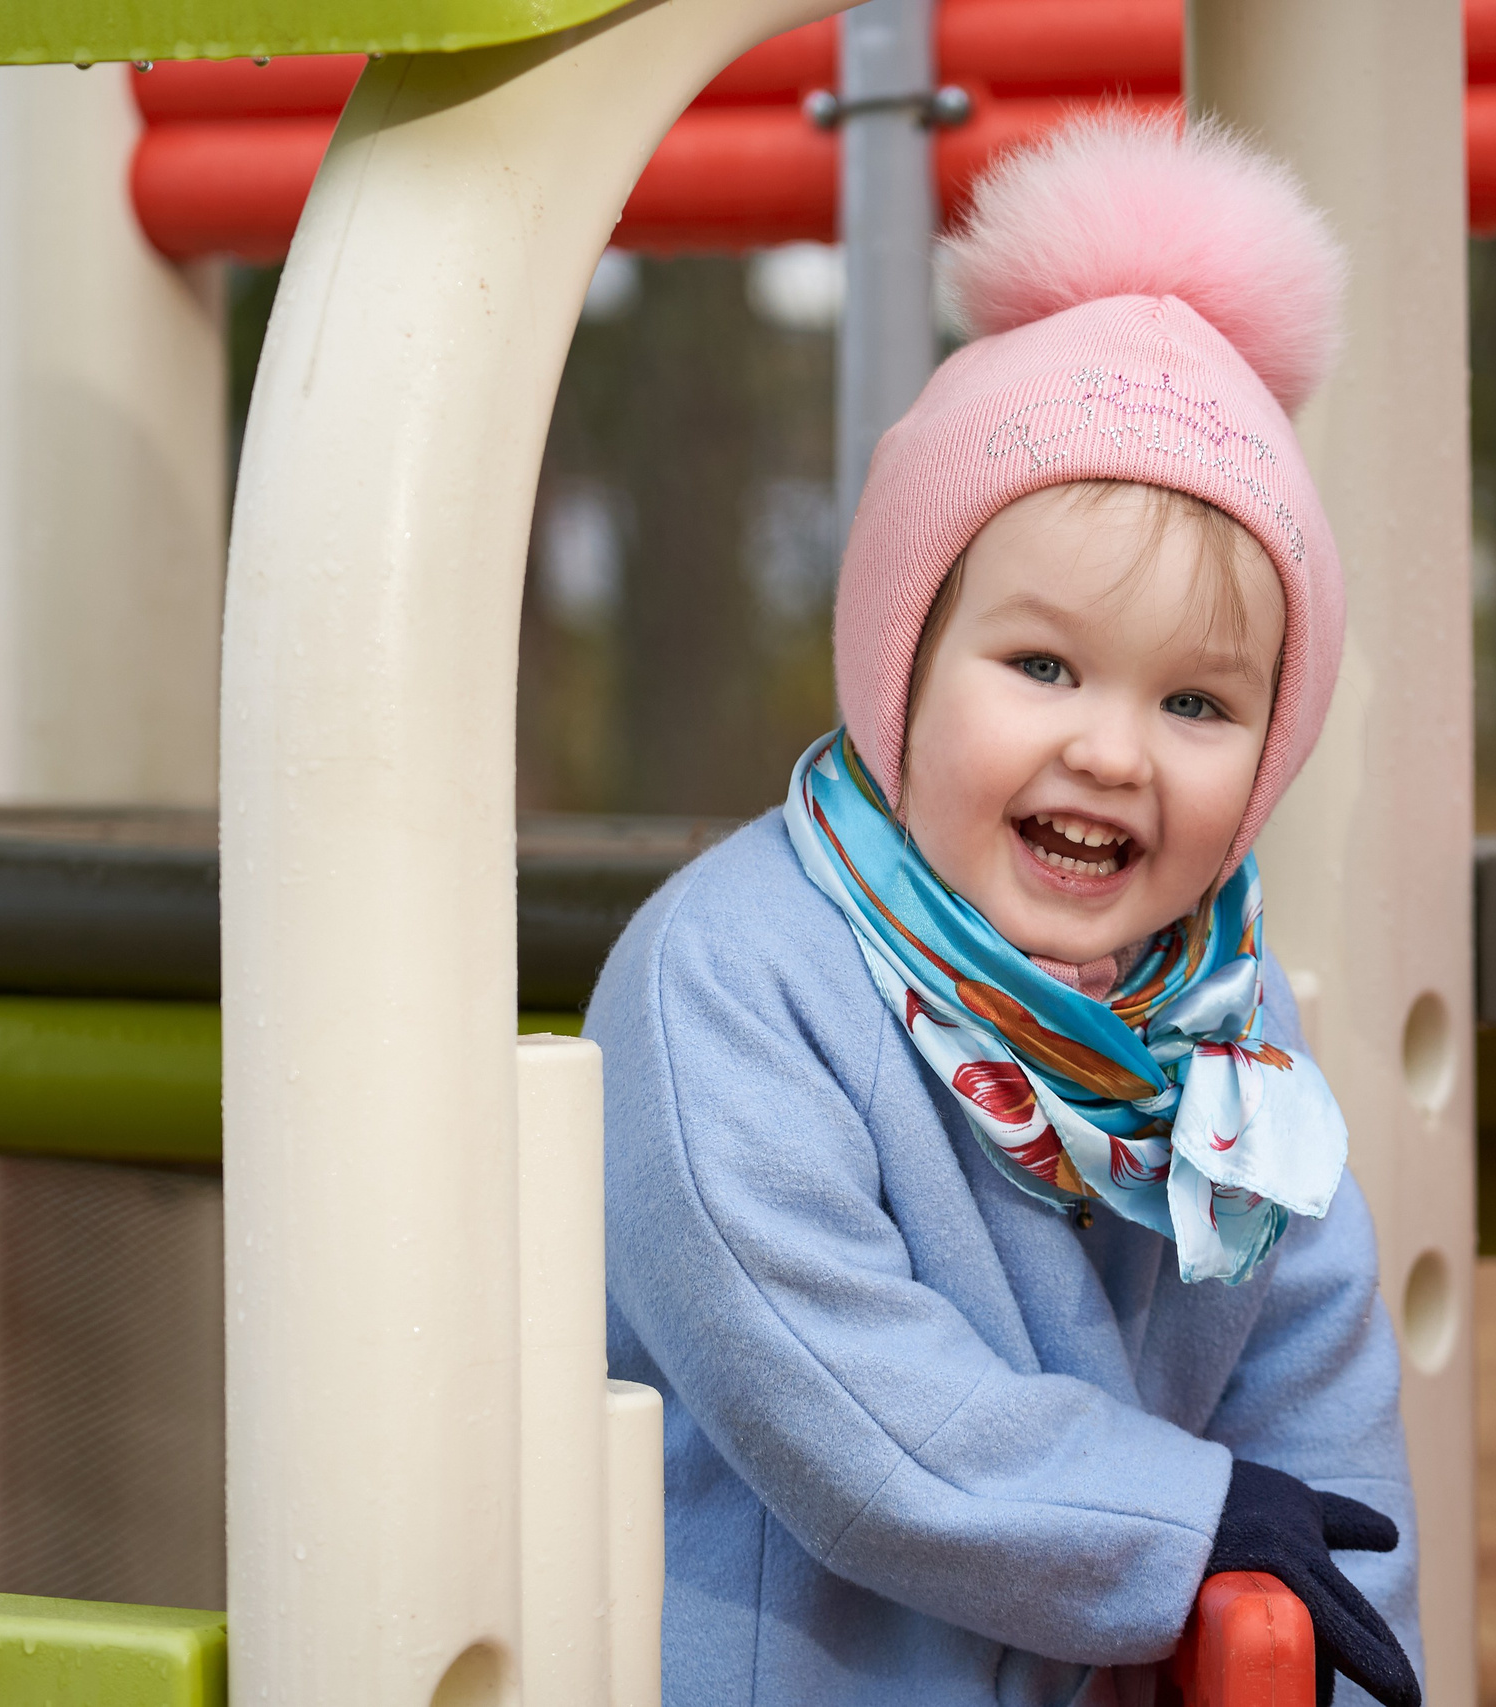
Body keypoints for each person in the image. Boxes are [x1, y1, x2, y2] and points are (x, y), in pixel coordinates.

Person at [587, 114, 1422, 1707]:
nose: (1109, 749)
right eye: (1042, 666)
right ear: (902, 659)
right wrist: (1192, 1525)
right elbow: (834, 1389)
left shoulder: (1220, 1023)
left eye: (1197, 701)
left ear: (1272, 751)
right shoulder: (735, 973)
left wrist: (1339, 1647)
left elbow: (1317, 1398)